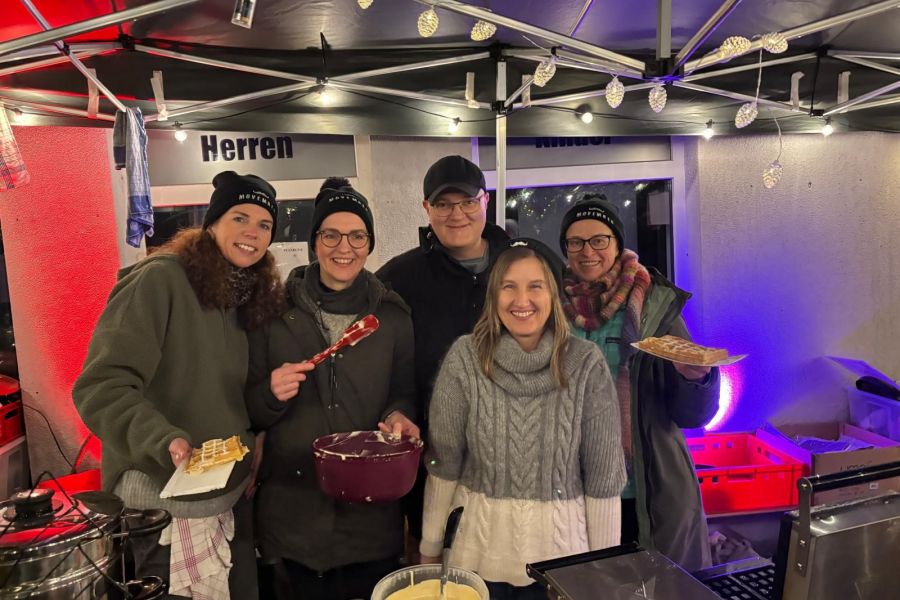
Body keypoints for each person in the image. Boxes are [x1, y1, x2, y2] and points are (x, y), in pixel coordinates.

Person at [73, 171, 285, 599]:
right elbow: (101, 386)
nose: (252, 233)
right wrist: (163, 438)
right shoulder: (160, 279)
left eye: (265, 225)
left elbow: (226, 395)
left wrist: (255, 435)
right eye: (239, 218)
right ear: (211, 224)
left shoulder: (246, 296)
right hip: (161, 500)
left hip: (227, 496)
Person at [420, 238, 626, 599]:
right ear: (493, 295)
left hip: (564, 570)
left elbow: (603, 477)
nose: (521, 301)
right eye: (508, 287)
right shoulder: (465, 359)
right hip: (475, 566)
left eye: (535, 287)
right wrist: (429, 546)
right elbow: (444, 463)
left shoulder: (585, 364)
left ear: (554, 294)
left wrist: (602, 570)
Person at [246, 177, 419, 600]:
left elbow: (403, 392)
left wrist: (399, 415)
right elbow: (247, 410)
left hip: (370, 522)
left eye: (357, 235)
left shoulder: (392, 318)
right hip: (292, 521)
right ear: (315, 242)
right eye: (331, 235)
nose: (345, 247)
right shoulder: (273, 312)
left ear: (370, 243)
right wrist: (269, 393)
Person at [558, 195, 720, 571]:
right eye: (576, 242)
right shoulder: (551, 310)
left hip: (648, 487)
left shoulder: (654, 307)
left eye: (599, 239)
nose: (588, 251)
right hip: (575, 486)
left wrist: (697, 377)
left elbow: (694, 415)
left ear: (617, 244)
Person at [376, 155, 509, 552]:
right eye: (444, 204)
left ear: (486, 201)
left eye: (468, 202)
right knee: (441, 568)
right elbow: (379, 364)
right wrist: (391, 412)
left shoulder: (521, 264)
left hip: (513, 461)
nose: (457, 215)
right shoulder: (397, 279)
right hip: (433, 467)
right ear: (426, 209)